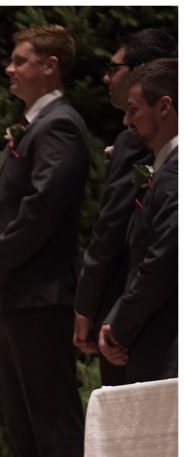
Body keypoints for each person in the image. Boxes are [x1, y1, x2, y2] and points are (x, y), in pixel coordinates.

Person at [0, 25, 88, 457]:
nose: (10, 69)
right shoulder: (29, 126)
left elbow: (40, 210)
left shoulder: (60, 127)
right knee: (21, 418)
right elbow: (3, 210)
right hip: (18, 294)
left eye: (21, 61)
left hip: (43, 295)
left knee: (50, 414)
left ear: (51, 66)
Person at [73, 30, 176, 385]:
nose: (126, 122)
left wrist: (111, 319)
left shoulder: (164, 165)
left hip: (152, 331)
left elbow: (157, 256)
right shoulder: (157, 160)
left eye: (113, 67)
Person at [99, 59, 177, 382]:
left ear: (164, 106)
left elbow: (161, 263)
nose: (126, 119)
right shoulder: (158, 169)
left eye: (134, 110)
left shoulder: (175, 174)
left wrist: (118, 327)